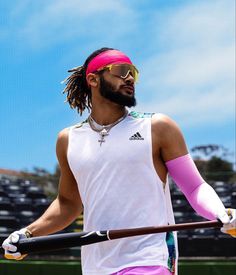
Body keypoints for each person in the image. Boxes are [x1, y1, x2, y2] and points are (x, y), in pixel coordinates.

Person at [2, 47, 236, 275]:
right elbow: (68, 204)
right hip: (95, 265)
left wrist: (221, 212)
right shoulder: (68, 139)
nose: (129, 78)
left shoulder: (157, 127)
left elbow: (194, 187)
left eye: (133, 73)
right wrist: (28, 234)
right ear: (93, 79)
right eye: (121, 70)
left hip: (150, 258)